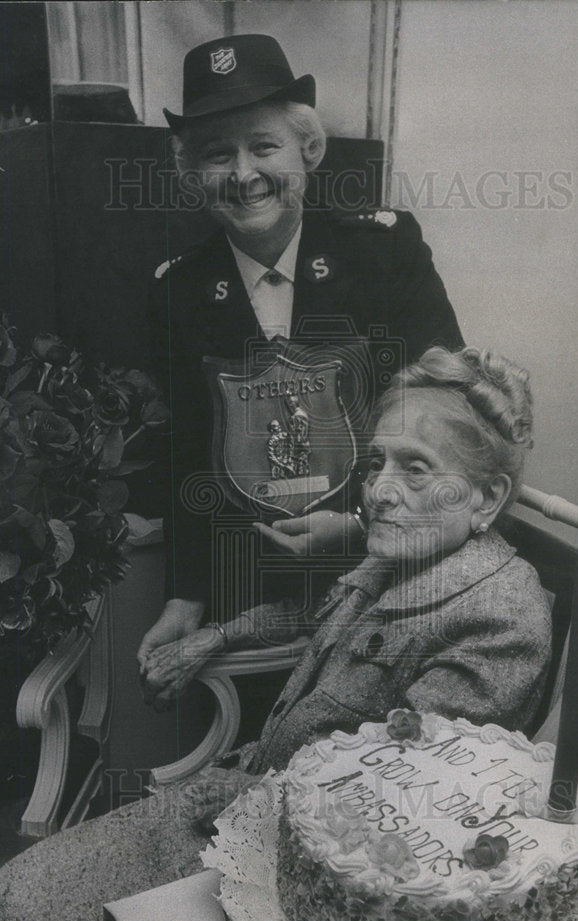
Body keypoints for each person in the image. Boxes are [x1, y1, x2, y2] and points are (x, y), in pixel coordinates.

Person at [0, 346, 551, 921]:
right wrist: (214, 635)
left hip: (297, 882)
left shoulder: (497, 618)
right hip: (243, 807)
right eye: (375, 463)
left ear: (487, 498)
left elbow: (401, 812)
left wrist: (241, 813)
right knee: (17, 894)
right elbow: (309, 614)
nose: (377, 490)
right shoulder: (402, 558)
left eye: (414, 468)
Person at [136, 33, 463, 714]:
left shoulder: (384, 252)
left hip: (389, 567)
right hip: (248, 584)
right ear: (194, 175)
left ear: (305, 151)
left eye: (263, 146)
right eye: (216, 155)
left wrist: (361, 522)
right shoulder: (177, 291)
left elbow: (444, 413)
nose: (243, 173)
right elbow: (186, 456)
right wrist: (184, 594)